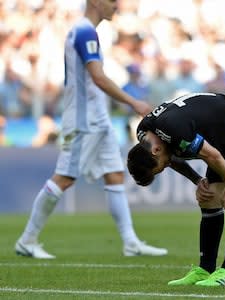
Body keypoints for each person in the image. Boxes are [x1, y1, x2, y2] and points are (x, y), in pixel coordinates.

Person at [15, 0, 167, 259]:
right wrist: (133, 102)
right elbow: (97, 76)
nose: (115, 7)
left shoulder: (87, 32)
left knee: (115, 175)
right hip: (83, 120)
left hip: (99, 118)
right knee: (65, 177)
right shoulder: (85, 32)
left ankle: (130, 242)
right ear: (96, 2)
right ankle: (27, 240)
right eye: (111, 2)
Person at [127, 92, 225, 287]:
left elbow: (212, 155)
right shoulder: (145, 134)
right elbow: (171, 157)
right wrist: (197, 180)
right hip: (224, 140)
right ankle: (206, 269)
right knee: (209, 198)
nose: (163, 168)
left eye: (159, 168)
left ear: (155, 151)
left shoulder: (172, 129)